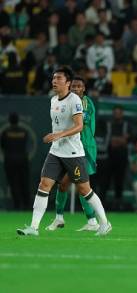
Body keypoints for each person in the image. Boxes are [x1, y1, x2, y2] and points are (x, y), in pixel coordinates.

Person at [16, 66, 111, 236]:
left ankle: (104, 223)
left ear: (67, 83)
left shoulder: (75, 101)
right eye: (53, 78)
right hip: (56, 152)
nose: (54, 81)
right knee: (44, 185)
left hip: (74, 153)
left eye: (59, 78)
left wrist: (58, 135)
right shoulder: (53, 100)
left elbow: (80, 126)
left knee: (84, 190)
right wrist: (56, 138)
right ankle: (34, 227)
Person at [46, 76, 99, 232]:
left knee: (82, 186)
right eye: (73, 86)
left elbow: (79, 123)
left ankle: (93, 220)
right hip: (69, 149)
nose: (75, 89)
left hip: (85, 148)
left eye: (79, 87)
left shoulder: (85, 103)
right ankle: (59, 218)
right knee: (62, 184)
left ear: (83, 89)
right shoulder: (67, 102)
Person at [0, 113, 29, 210]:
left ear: (9, 121)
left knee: (13, 183)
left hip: (10, 160)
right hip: (23, 160)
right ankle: (27, 205)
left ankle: (17, 205)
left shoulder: (5, 132)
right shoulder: (24, 131)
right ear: (18, 120)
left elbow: (3, 146)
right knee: (24, 181)